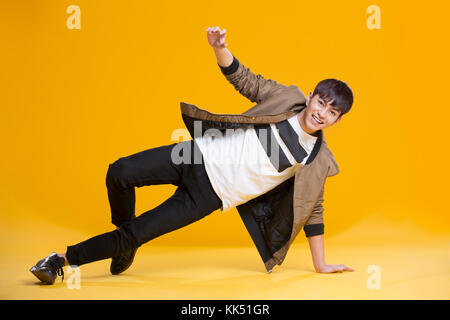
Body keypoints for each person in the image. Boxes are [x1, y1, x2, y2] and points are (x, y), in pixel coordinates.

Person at [30, 26, 355, 285]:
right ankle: (123, 240)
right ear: (311, 97)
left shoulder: (318, 159)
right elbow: (248, 82)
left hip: (210, 196)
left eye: (332, 112)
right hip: (195, 155)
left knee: (138, 232)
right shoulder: (288, 98)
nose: (323, 113)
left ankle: (60, 261)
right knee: (119, 172)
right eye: (321, 103)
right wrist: (219, 47)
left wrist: (322, 264)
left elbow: (313, 211)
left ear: (338, 120)